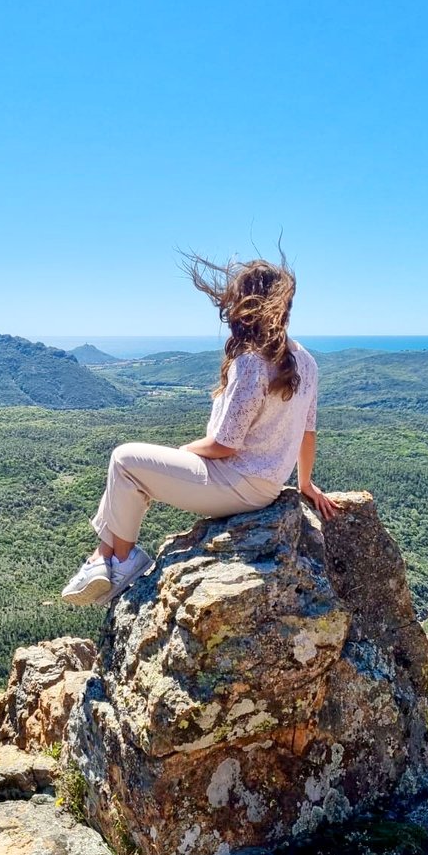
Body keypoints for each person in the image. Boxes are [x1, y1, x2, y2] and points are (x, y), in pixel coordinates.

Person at [61, 251, 340, 607]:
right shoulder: (307, 361)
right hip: (265, 488)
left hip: (234, 483)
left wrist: (184, 452)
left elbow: (225, 445)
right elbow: (308, 430)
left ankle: (121, 560)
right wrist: (304, 484)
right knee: (140, 471)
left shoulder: (252, 362)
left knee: (125, 460)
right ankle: (102, 559)